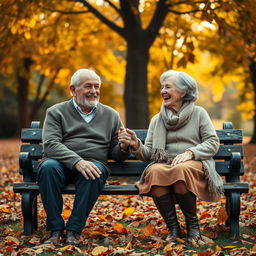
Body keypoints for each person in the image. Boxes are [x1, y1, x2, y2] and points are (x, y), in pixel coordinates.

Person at [118, 70, 223, 243]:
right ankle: (173, 228)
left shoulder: (199, 114)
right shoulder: (157, 120)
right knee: (155, 171)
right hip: (166, 165)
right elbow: (149, 154)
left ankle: (192, 227)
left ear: (183, 92)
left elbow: (212, 142)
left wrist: (190, 153)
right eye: (162, 87)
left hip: (193, 163)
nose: (163, 91)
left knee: (181, 169)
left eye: (168, 87)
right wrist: (136, 144)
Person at [37, 69, 130, 246]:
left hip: (94, 164)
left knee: (94, 172)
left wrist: (124, 146)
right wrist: (77, 162)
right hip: (60, 163)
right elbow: (51, 144)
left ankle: (73, 230)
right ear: (73, 89)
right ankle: (55, 230)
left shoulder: (111, 115)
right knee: (48, 168)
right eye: (88, 86)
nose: (94, 91)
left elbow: (116, 155)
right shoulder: (56, 112)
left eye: (97, 86)